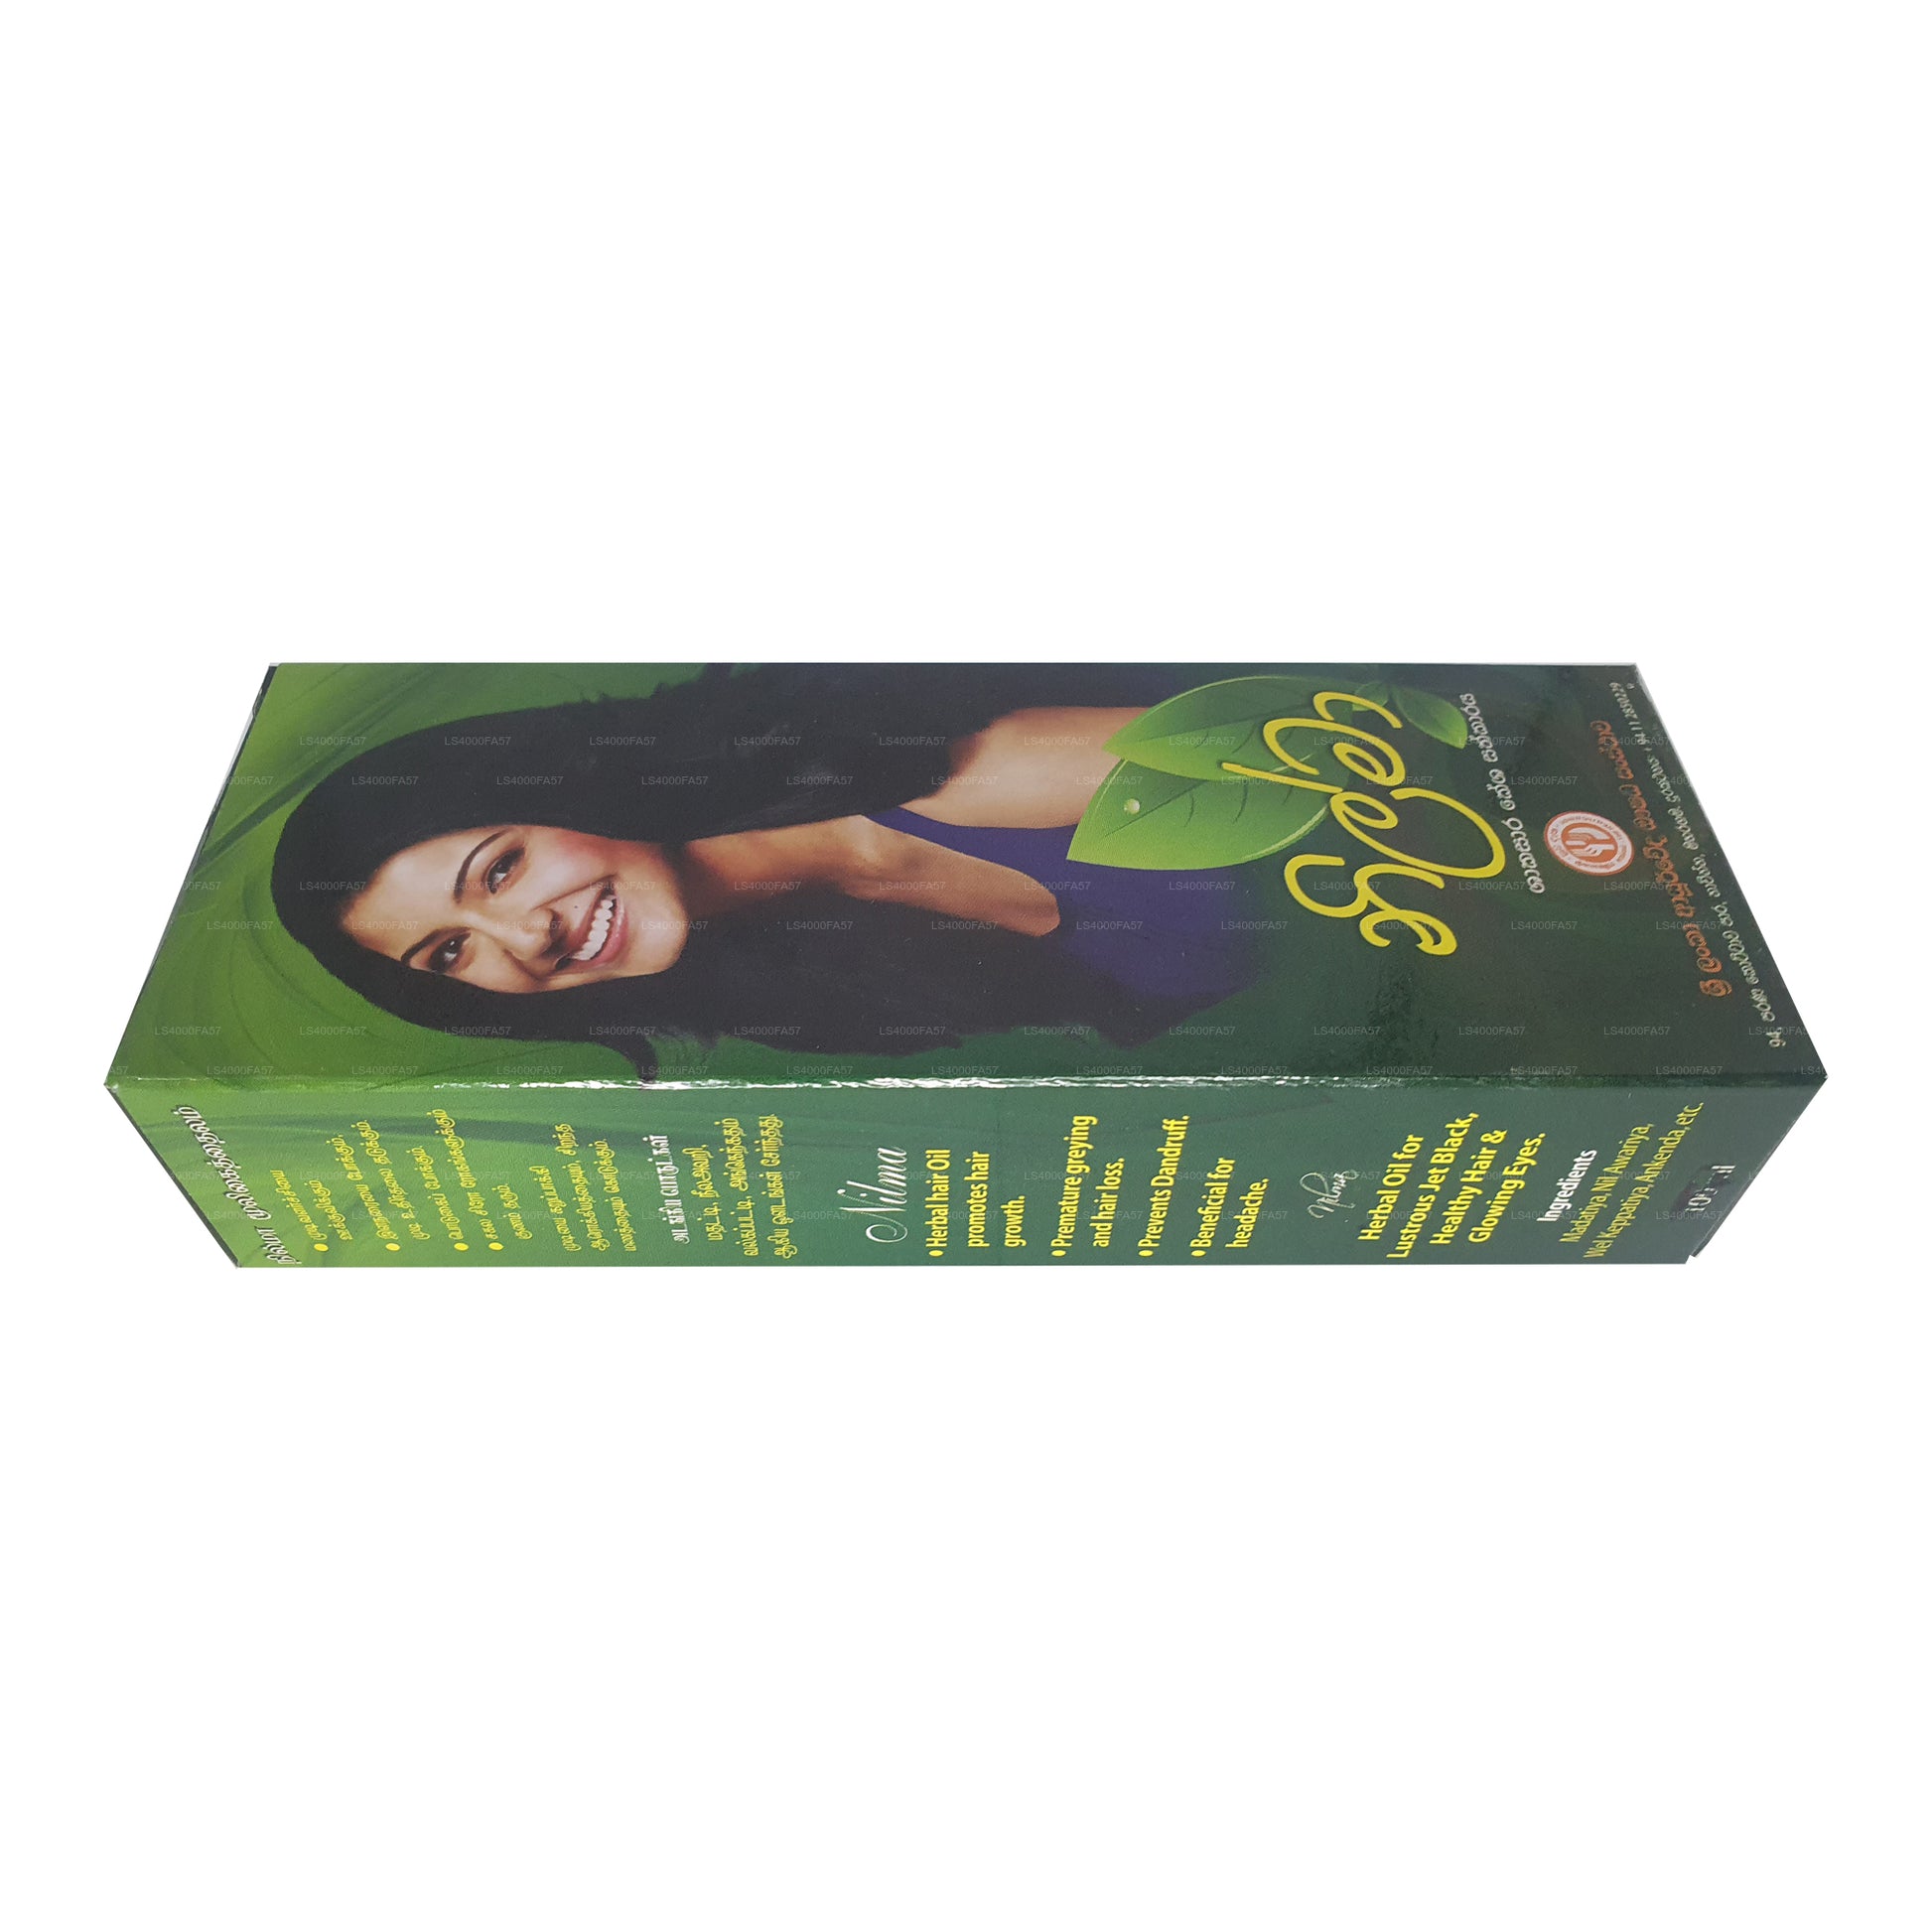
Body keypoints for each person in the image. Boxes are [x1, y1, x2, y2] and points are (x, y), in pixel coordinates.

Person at [270, 662, 1261, 1077]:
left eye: (498, 871)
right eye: (450, 952)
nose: (525, 936)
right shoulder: (809, 1003)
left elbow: (1302, 758)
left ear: (560, 786)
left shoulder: (912, 754)